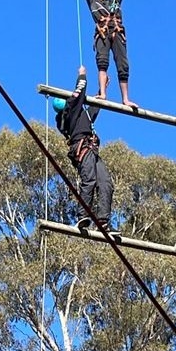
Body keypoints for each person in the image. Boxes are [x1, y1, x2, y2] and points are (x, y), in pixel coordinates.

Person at [53, 65, 120, 234]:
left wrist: (102, 89)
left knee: (106, 183)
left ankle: (103, 221)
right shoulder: (69, 113)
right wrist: (82, 76)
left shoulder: (81, 115)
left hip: (92, 150)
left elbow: (94, 108)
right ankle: (82, 216)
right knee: (89, 180)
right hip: (83, 148)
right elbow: (79, 91)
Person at [83, 0, 137, 108]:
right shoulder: (92, 2)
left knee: (123, 65)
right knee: (102, 61)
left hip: (117, 32)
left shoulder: (115, 1)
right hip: (102, 32)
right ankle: (103, 93)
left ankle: (125, 99)